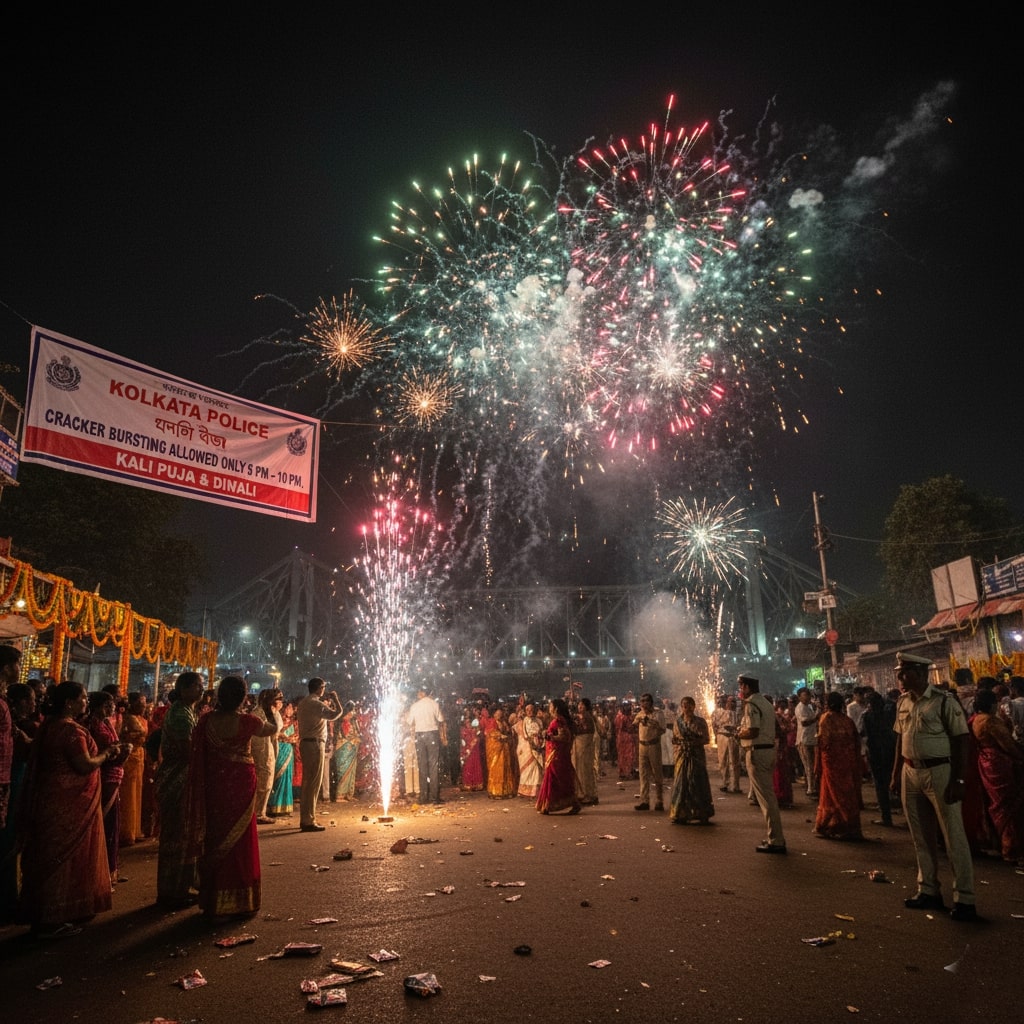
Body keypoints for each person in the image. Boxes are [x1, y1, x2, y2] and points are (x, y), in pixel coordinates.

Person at [16, 680, 121, 938]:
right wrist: (107, 754)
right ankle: (52, 919)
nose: (86, 702)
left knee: (51, 856)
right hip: (70, 803)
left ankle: (59, 912)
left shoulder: (49, 727)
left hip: (53, 800)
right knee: (62, 860)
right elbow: (84, 764)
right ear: (69, 702)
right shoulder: (70, 731)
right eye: (83, 698)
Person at [891, 651, 977, 921]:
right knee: (920, 835)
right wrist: (895, 774)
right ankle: (928, 889)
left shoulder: (944, 702)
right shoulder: (903, 702)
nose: (901, 677)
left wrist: (959, 779)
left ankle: (964, 898)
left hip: (940, 771)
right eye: (900, 672)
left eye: (905, 672)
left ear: (921, 673)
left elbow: (962, 740)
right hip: (910, 770)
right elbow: (900, 738)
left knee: (953, 835)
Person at [185, 675, 277, 918]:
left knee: (216, 836)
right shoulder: (247, 721)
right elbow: (272, 729)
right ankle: (239, 898)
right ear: (243, 698)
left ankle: (215, 899)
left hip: (215, 786)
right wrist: (266, 708)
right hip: (241, 786)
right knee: (240, 839)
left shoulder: (206, 721)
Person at [155, 671, 205, 908]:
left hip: (183, 779)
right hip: (176, 780)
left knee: (184, 835)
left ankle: (180, 888)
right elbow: (189, 751)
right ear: (184, 689)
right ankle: (172, 892)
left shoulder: (187, 711)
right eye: (198, 686)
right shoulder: (180, 715)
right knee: (176, 837)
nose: (201, 690)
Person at [969, 689, 1024, 864]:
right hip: (999, 764)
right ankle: (1011, 848)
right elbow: (1008, 744)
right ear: (992, 704)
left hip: (985, 763)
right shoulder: (991, 721)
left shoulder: (975, 720)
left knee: (993, 804)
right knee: (1007, 806)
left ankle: (999, 844)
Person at [87, 691, 133, 889]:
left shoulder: (105, 722)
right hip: (104, 775)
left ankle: (110, 870)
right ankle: (100, 875)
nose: (112, 707)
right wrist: (118, 750)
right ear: (97, 706)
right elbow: (99, 750)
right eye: (108, 704)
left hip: (114, 773)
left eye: (112, 704)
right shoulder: (92, 725)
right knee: (105, 824)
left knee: (112, 823)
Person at [738, 674, 787, 854]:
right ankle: (775, 836)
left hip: (757, 751)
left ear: (747, 688)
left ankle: (776, 840)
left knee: (766, 799)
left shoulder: (751, 704)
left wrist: (738, 733)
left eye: (741, 686)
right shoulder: (766, 703)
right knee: (769, 797)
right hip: (768, 749)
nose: (740, 690)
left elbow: (752, 730)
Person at [812, 691, 864, 840]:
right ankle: (842, 825)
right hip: (848, 761)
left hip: (831, 761)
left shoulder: (826, 719)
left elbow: (823, 744)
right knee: (846, 792)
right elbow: (855, 742)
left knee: (832, 793)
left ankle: (837, 825)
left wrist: (818, 764)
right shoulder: (847, 720)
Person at [296, 677, 344, 830]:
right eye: (323, 687)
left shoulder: (303, 703)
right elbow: (336, 714)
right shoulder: (316, 704)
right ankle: (309, 820)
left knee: (307, 782)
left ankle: (306, 818)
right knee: (313, 783)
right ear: (319, 688)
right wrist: (336, 699)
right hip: (315, 744)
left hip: (306, 743)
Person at [669, 696, 715, 825]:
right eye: (684, 705)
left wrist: (694, 742)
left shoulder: (700, 722)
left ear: (694, 706)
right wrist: (681, 743)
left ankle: (701, 812)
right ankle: (680, 813)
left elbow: (706, 739)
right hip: (682, 756)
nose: (686, 707)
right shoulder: (678, 722)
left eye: (689, 705)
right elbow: (674, 739)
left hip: (696, 757)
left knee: (697, 783)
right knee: (681, 783)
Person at [536, 698, 581, 815]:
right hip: (557, 753)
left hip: (557, 755)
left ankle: (548, 806)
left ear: (556, 708)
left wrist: (550, 737)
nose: (549, 708)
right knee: (561, 778)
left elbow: (565, 737)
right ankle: (569, 803)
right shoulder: (559, 720)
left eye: (551, 706)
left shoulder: (559, 721)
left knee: (555, 778)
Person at [861, 689, 898, 827]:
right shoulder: (889, 713)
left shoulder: (868, 717)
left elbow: (866, 736)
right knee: (895, 783)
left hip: (876, 754)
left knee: (881, 786)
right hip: (891, 752)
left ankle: (886, 817)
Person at [407, 684, 446, 804]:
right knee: (433, 766)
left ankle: (423, 797)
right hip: (432, 734)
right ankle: (434, 797)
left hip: (419, 735)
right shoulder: (434, 704)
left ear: (421, 693)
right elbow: (440, 719)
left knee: (422, 766)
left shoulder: (414, 706)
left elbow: (409, 721)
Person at [118, 691, 149, 846]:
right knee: (129, 793)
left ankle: (135, 830)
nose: (144, 707)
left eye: (144, 704)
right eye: (141, 704)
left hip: (139, 756)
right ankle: (126, 832)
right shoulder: (129, 718)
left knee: (138, 792)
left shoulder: (141, 719)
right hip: (130, 757)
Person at [252, 688, 284, 823]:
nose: (282, 702)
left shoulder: (273, 712)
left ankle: (260, 812)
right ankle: (257, 814)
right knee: (263, 780)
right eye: (279, 699)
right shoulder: (260, 713)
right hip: (262, 748)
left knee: (267, 780)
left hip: (270, 746)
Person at [633, 693, 666, 811]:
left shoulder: (658, 713)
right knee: (643, 774)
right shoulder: (640, 714)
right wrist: (638, 721)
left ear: (651, 702)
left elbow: (663, 729)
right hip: (642, 746)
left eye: (646, 701)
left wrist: (653, 723)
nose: (644, 703)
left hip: (653, 745)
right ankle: (644, 800)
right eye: (642, 701)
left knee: (657, 773)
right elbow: (632, 726)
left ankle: (659, 800)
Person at [268, 700, 297, 817]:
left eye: (291, 708)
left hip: (289, 750)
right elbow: (275, 733)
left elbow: (295, 737)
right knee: (277, 776)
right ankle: (273, 805)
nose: (289, 710)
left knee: (287, 777)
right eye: (287, 708)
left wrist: (291, 739)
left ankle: (285, 806)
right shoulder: (277, 719)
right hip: (279, 749)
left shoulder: (293, 723)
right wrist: (284, 737)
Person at [711, 693, 741, 794]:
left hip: (733, 737)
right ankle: (725, 783)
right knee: (723, 760)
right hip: (722, 736)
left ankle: (735, 785)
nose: (732, 704)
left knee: (735, 761)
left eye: (734, 702)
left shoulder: (737, 714)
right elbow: (714, 725)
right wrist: (716, 736)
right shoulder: (716, 713)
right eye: (730, 701)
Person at [485, 706, 516, 798]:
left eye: (500, 714)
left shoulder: (503, 722)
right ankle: (496, 791)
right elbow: (490, 733)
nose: (499, 715)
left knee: (505, 768)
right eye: (497, 714)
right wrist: (500, 736)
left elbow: (508, 732)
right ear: (494, 714)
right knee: (496, 769)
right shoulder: (491, 722)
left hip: (504, 749)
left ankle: (506, 791)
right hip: (495, 749)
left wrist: (508, 731)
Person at [332, 701, 362, 801]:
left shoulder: (353, 722)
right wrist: (353, 741)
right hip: (344, 752)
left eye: (352, 712)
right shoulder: (342, 723)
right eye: (350, 712)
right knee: (343, 772)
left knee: (351, 772)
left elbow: (356, 734)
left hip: (352, 752)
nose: (351, 714)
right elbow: (344, 739)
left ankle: (349, 794)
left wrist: (356, 739)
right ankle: (340, 796)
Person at [573, 697, 599, 806]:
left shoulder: (587, 717)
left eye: (582, 705)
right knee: (581, 770)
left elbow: (583, 731)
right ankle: (584, 794)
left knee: (584, 770)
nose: (580, 706)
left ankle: (586, 795)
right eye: (579, 704)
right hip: (579, 746)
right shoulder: (579, 717)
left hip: (584, 745)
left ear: (586, 707)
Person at [793, 687, 819, 800]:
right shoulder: (800, 708)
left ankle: (811, 786)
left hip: (810, 739)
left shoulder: (808, 707)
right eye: (805, 695)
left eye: (808, 695)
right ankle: (810, 789)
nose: (808, 697)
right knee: (808, 765)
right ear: (800, 697)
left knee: (811, 765)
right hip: (803, 740)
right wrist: (816, 716)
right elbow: (805, 722)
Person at [515, 702, 543, 798]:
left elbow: (541, 731)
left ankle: (535, 791)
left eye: (531, 709)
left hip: (538, 746)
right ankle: (525, 791)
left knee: (536, 769)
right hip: (528, 747)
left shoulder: (539, 721)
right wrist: (532, 742)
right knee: (527, 769)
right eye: (527, 710)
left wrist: (539, 741)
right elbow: (525, 735)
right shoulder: (525, 721)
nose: (530, 712)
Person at [615, 701, 637, 780]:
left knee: (622, 756)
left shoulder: (619, 716)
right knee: (628, 756)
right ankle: (626, 773)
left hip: (621, 737)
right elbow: (628, 728)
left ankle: (623, 773)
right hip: (626, 738)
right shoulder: (623, 717)